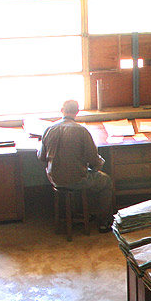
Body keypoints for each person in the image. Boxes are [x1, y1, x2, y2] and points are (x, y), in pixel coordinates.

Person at [37, 99, 115, 231]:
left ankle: (78, 213)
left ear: (62, 111)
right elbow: (93, 159)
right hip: (76, 179)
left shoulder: (49, 129)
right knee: (106, 181)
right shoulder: (81, 131)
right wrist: (98, 165)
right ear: (77, 112)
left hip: (54, 178)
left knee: (77, 175)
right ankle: (103, 221)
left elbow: (41, 157)